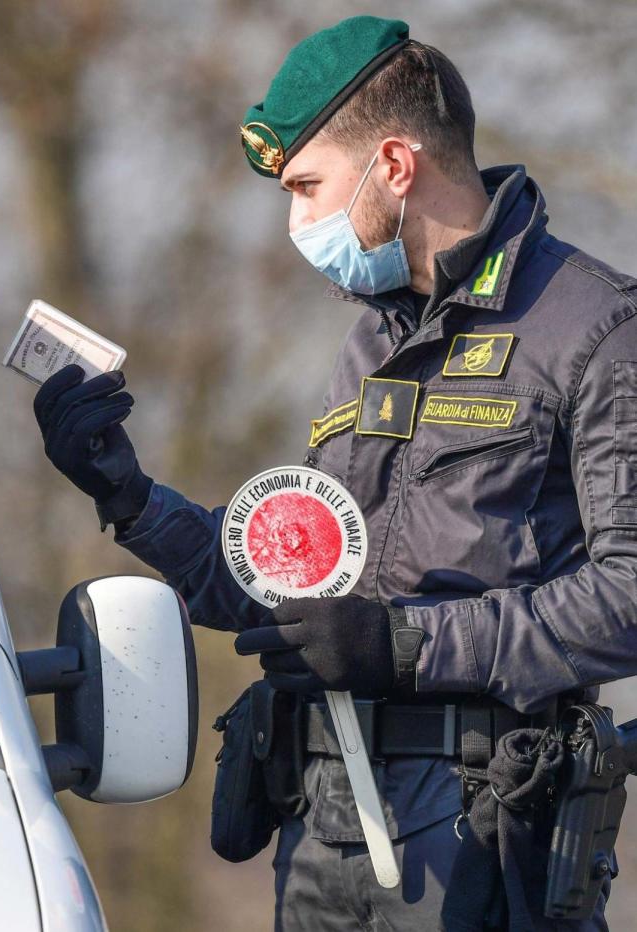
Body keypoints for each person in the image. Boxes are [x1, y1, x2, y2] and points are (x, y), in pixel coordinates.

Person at [33, 15, 631, 930]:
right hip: (321, 822)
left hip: (481, 834)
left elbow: (629, 595)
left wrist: (409, 646)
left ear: (394, 165)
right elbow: (294, 591)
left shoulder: (594, 327)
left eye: (308, 187)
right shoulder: (370, 338)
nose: (295, 222)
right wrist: (129, 494)